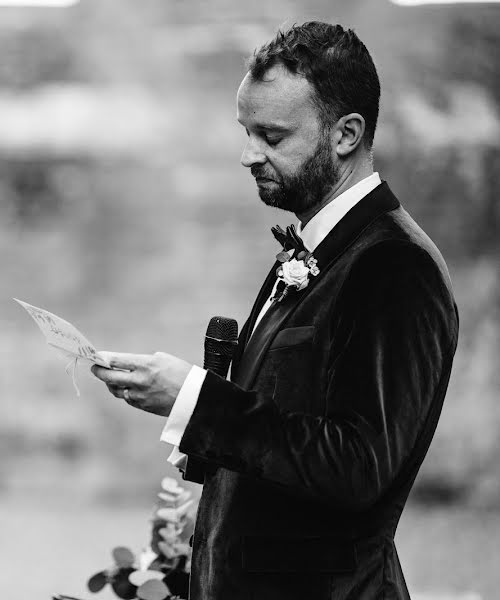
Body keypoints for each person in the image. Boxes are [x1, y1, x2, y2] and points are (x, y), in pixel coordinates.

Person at [90, 22, 458, 600]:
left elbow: (356, 465)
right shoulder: (310, 250)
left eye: (271, 136)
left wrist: (195, 399)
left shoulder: (395, 267)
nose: (247, 155)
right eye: (245, 131)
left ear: (346, 135)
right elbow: (279, 442)